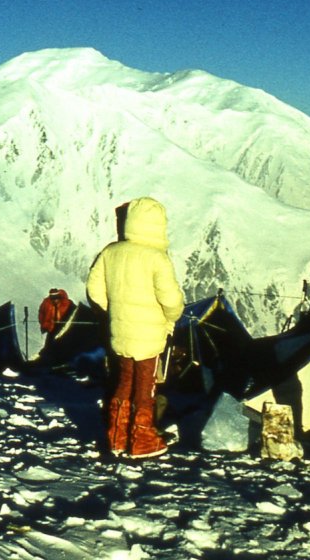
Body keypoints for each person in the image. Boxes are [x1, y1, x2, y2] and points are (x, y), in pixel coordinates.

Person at [87, 197, 185, 460]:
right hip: (150, 334)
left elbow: (94, 292)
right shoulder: (157, 258)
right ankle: (142, 440)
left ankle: (117, 438)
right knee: (146, 386)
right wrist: (170, 318)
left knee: (123, 381)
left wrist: (115, 311)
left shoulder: (111, 252)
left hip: (120, 331)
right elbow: (172, 301)